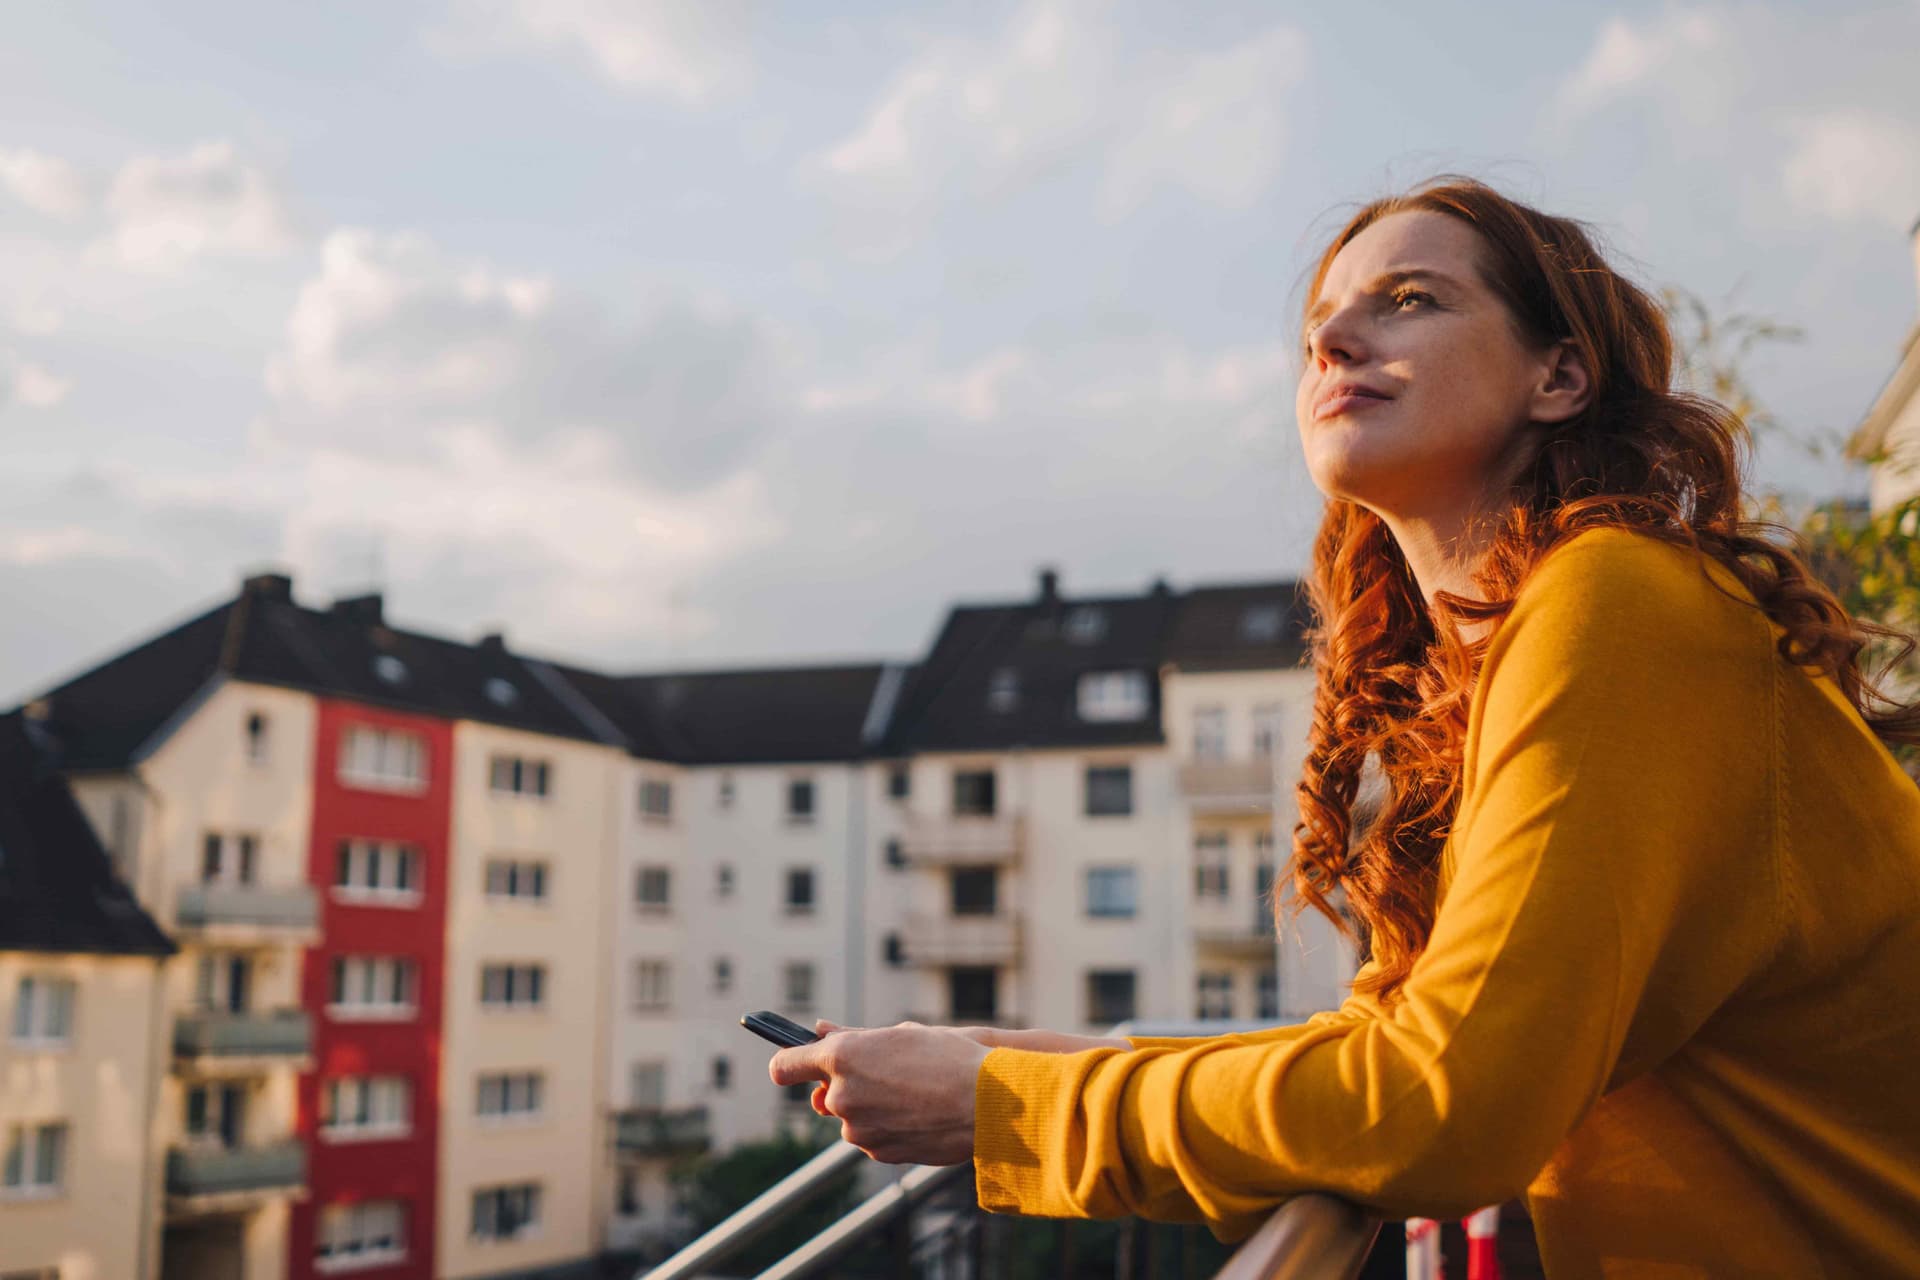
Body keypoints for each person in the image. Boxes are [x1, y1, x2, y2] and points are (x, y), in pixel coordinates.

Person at [770, 177, 1920, 1276]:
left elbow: (1441, 1105)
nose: (1331, 343)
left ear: (1558, 376)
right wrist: (1002, 1061)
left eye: (1409, 300)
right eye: (1321, 323)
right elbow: (1383, 1049)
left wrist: (998, 1110)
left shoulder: (1617, 602)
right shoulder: (1510, 661)